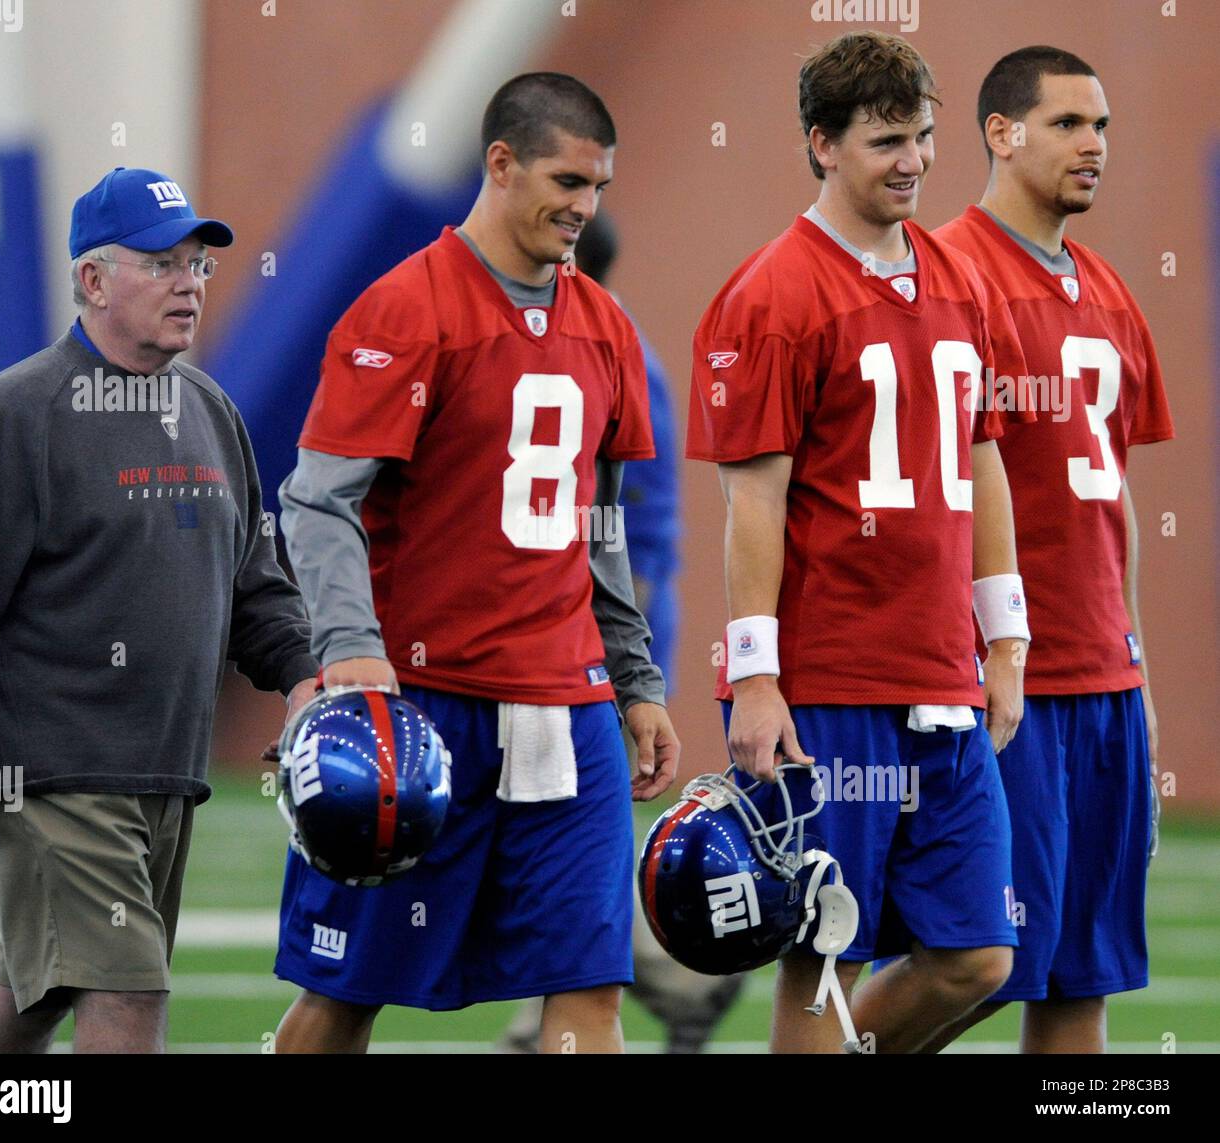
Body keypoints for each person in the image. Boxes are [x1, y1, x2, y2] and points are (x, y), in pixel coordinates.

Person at [274, 73, 680, 1054]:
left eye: (597, 186)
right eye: (566, 179)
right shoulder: (405, 307)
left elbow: (601, 528)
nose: (584, 206)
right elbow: (315, 500)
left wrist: (634, 678)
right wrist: (349, 647)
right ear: (499, 164)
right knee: (344, 993)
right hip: (423, 704)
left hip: (567, 708)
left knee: (588, 991)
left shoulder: (607, 326)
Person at [0, 166, 319, 1054]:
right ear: (93, 280)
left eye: (198, 265)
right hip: (46, 768)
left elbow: (257, 581)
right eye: (162, 263)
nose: (189, 283)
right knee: (126, 992)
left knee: (37, 988)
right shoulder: (15, 413)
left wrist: (301, 678)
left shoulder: (211, 410)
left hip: (161, 770)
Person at [687, 31, 1032, 1053]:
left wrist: (1003, 636)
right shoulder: (772, 293)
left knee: (977, 955)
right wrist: (756, 678)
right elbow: (752, 502)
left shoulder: (958, 278)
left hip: (939, 672)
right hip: (831, 678)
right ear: (821, 145)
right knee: (820, 958)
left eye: (923, 137)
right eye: (887, 140)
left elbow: (980, 460)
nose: (913, 161)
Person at [908, 47, 1174, 1053]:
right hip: (1000, 681)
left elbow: (1115, 500)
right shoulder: (942, 276)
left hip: (1105, 682)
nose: (1093, 146)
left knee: (1081, 981)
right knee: (973, 963)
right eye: (1067, 123)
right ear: (998, 132)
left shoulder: (1109, 292)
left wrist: (1138, 667)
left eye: (1102, 126)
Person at [497, 212, 739, 1055]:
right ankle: (681, 980)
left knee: (570, 819)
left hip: (600, 631)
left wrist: (616, 655)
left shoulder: (613, 350)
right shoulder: (572, 340)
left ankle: (657, 980)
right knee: (550, 817)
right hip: (569, 627)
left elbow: (633, 523)